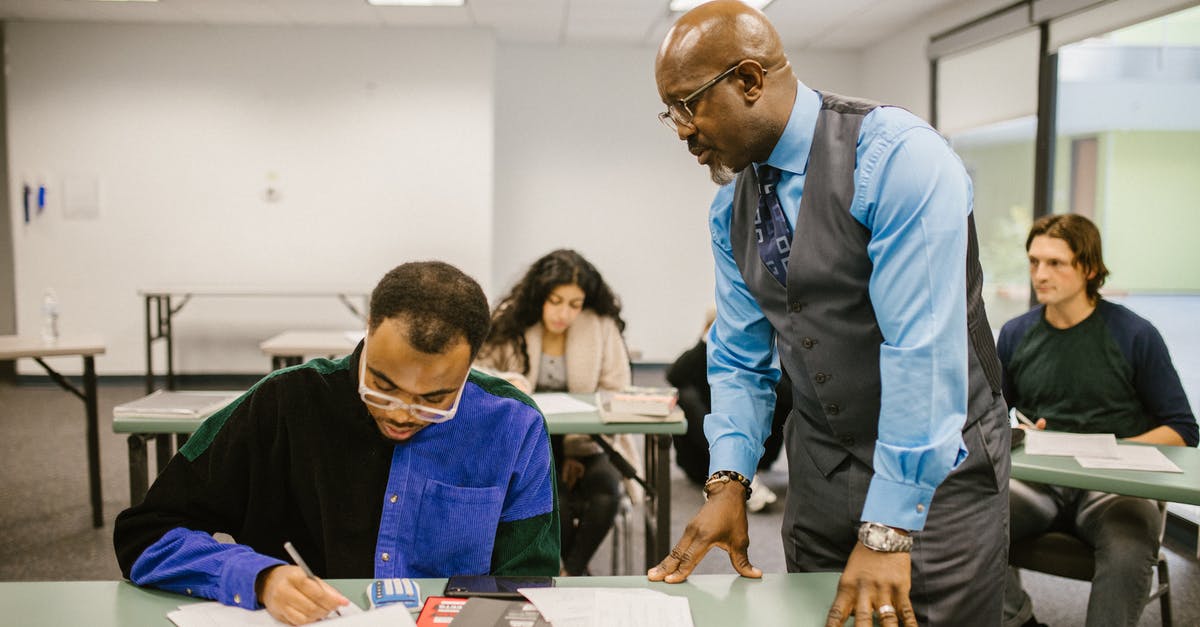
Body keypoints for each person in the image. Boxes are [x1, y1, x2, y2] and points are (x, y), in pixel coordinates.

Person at [650, 3, 1011, 626]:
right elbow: (739, 357)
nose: (681, 130)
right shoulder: (730, 206)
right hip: (819, 469)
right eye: (671, 112)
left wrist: (889, 531)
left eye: (689, 105)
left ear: (749, 80)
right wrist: (730, 477)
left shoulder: (900, 159)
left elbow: (921, 353)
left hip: (938, 478)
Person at [114, 262, 559, 626]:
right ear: (367, 329)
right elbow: (147, 534)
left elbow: (526, 585)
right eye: (382, 385)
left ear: (472, 363)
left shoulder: (512, 425)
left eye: (434, 399)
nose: (402, 413)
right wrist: (259, 578)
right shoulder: (283, 403)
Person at [998, 214, 1197, 627]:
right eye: (1034, 262)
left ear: (1088, 269)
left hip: (1113, 490)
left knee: (1129, 546)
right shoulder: (1016, 335)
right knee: (965, 518)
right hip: (1040, 486)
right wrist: (1020, 433)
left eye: (1056, 263)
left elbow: (1182, 429)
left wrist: (1111, 451)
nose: (1040, 273)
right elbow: (993, 415)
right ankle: (1020, 619)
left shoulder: (1135, 335)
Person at [475, 248, 641, 577]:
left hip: (589, 442)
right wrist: (511, 381)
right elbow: (479, 373)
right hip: (526, 443)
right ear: (540, 296)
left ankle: (569, 574)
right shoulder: (512, 319)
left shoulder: (600, 326)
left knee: (605, 496)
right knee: (554, 503)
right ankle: (565, 570)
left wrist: (576, 450)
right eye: (556, 301)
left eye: (574, 304)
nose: (564, 313)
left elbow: (616, 390)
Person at [666, 309, 787, 513]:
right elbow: (674, 375)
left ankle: (738, 474)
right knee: (685, 396)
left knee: (774, 390)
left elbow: (788, 393)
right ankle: (730, 472)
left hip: (757, 456)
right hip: (701, 461)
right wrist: (707, 342)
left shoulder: (752, 360)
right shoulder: (697, 361)